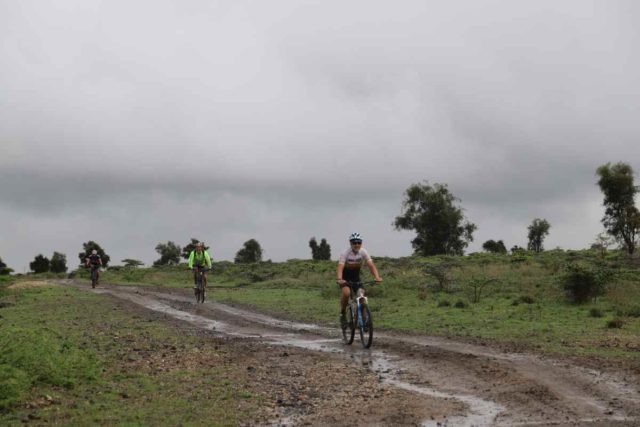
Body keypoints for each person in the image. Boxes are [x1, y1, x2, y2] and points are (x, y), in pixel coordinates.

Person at [336, 232, 382, 326]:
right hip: (345, 278)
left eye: (359, 242)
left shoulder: (363, 252)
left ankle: (364, 318)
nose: (357, 244)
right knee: (346, 293)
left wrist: (377, 277)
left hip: (356, 278)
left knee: (361, 296)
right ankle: (343, 313)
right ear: (350, 243)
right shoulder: (345, 253)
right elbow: (340, 267)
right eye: (354, 242)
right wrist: (339, 278)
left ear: (361, 243)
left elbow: (371, 265)